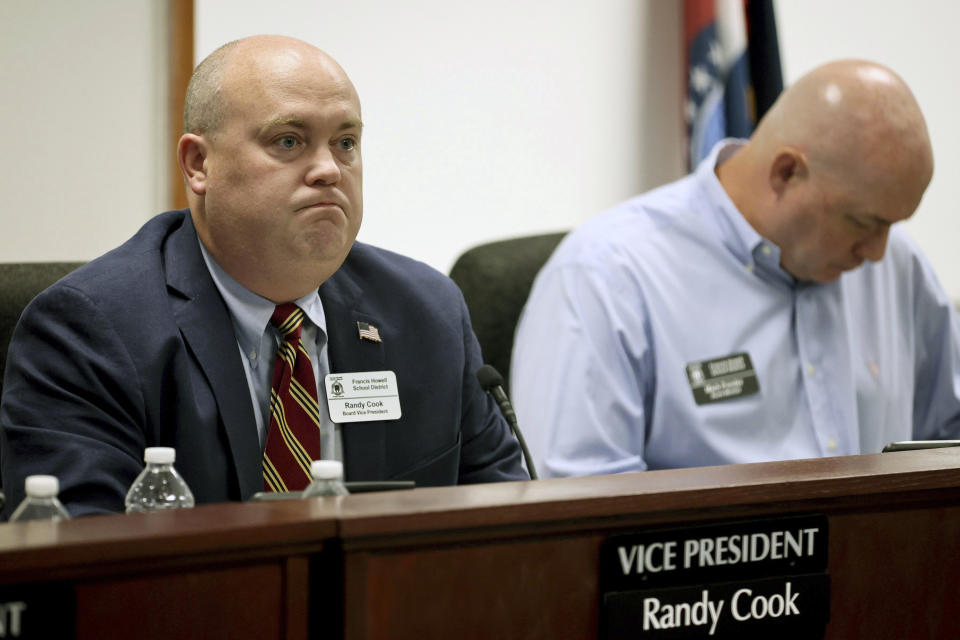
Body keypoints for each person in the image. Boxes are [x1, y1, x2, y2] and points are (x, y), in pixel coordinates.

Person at [0, 35, 526, 517]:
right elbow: (84, 567)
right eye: (289, 141)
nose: (329, 169)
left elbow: (506, 529)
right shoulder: (90, 331)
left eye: (346, 142)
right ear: (198, 164)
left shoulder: (426, 313)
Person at [511, 59, 960, 478]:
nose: (878, 252)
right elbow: (578, 512)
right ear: (785, 173)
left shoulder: (899, 265)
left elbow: (949, 440)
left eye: (892, 224)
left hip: (887, 557)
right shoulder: (607, 277)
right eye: (864, 222)